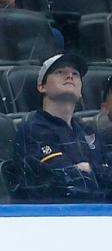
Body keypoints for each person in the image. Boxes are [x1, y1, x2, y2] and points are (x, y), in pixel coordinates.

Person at [11, 54, 112, 203]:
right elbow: (65, 184)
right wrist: (98, 173)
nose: (70, 76)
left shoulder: (89, 131)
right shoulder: (33, 129)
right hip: (56, 217)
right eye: (60, 72)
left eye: (75, 74)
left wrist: (90, 169)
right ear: (42, 86)